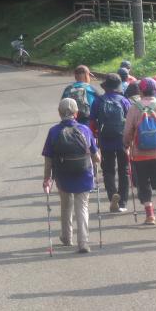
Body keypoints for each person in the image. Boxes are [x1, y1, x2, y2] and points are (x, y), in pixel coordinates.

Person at [41, 98, 101, 254]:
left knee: (66, 205)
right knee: (82, 207)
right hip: (84, 173)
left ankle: (67, 237)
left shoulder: (53, 131)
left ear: (59, 113)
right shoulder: (85, 130)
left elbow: (48, 158)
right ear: (76, 113)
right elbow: (96, 157)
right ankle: (84, 242)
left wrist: (47, 178)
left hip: (63, 174)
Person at [122, 78, 156, 225]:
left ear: (141, 91)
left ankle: (150, 215)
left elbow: (127, 131)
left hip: (139, 154)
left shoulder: (134, 108)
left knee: (143, 183)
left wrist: (126, 144)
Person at [90, 73, 131, 213]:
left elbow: (92, 122)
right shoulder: (124, 101)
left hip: (105, 139)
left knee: (108, 170)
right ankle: (123, 202)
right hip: (122, 140)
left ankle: (113, 195)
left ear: (106, 86)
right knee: (124, 170)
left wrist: (95, 137)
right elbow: (130, 123)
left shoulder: (98, 101)